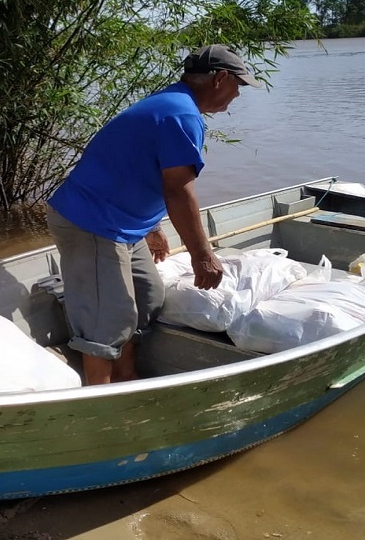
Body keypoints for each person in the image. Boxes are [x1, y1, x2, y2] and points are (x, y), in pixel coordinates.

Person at [46, 44, 261, 385]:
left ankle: (126, 376)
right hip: (93, 222)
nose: (237, 95)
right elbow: (178, 189)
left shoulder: (175, 104)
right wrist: (201, 255)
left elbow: (142, 171)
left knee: (148, 299)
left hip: (124, 225)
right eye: (239, 86)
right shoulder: (181, 115)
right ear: (221, 78)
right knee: (109, 321)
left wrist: (153, 226)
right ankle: (99, 403)